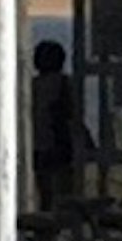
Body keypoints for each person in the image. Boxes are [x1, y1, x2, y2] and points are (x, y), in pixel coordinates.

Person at [30, 37, 86, 207]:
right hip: (61, 143)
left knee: (45, 190)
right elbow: (72, 113)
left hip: (39, 143)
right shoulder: (65, 83)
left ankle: (48, 222)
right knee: (65, 188)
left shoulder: (33, 85)